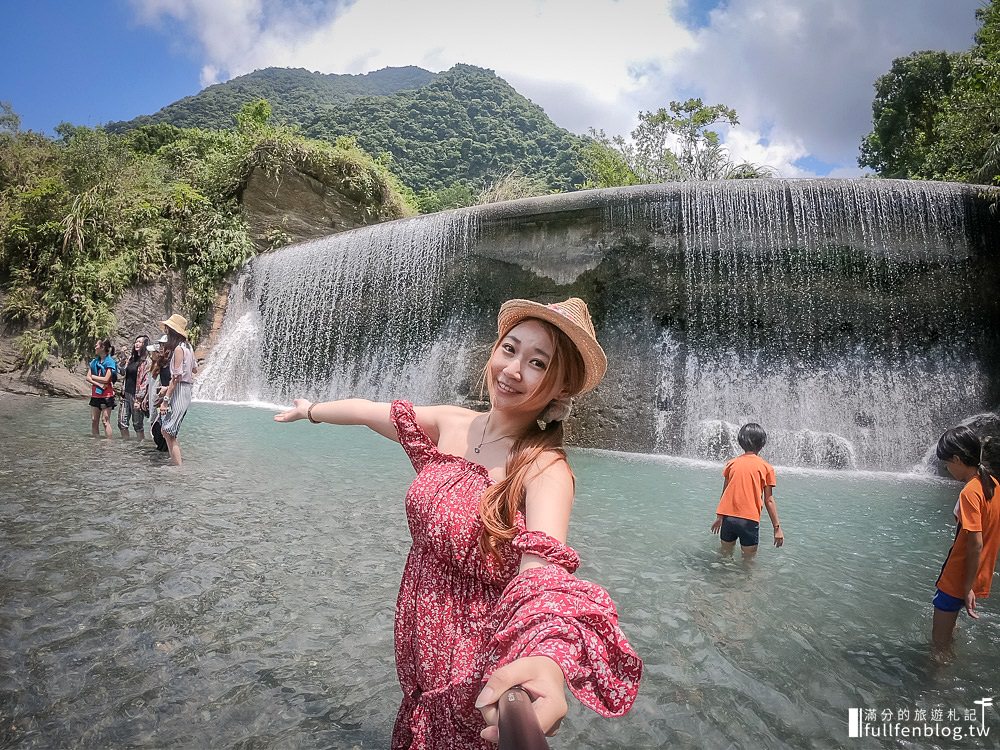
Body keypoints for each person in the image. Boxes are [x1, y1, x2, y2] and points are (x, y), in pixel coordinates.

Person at [274, 297, 642, 749]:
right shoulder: (453, 423)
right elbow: (369, 412)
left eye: (537, 363)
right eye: (509, 349)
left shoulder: (544, 470)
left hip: (471, 673)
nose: (512, 369)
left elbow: (542, 579)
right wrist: (311, 410)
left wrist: (546, 660)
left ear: (560, 389)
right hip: (419, 664)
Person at [932, 426, 1000, 657]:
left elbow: (975, 543)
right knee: (951, 632)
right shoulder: (993, 485)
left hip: (958, 579)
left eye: (947, 463)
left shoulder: (969, 492)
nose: (947, 469)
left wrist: (966, 587)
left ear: (957, 459)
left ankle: (937, 689)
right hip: (978, 575)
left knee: (939, 646)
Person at [710, 422, 784, 558]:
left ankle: (721, 579)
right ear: (762, 443)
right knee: (748, 563)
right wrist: (777, 529)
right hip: (749, 521)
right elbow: (769, 500)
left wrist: (719, 517)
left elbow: (725, 492)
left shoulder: (731, 464)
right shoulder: (766, 468)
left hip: (728, 518)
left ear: (740, 441)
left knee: (724, 556)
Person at [158, 315, 197, 466]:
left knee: (168, 431)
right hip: (185, 390)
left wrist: (165, 401)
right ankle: (175, 463)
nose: (166, 333)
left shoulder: (179, 349)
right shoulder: (188, 347)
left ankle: (178, 468)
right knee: (166, 430)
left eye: (167, 330)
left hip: (179, 391)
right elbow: (194, 369)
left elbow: (175, 378)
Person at [117, 334, 150, 440]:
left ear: (145, 344)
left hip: (137, 396)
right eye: (136, 341)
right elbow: (122, 372)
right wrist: (122, 357)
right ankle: (126, 444)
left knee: (138, 425)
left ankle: (140, 447)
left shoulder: (146, 362)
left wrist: (139, 399)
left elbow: (145, 381)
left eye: (140, 342)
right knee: (122, 422)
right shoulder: (131, 359)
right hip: (125, 394)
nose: (137, 343)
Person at [86, 339, 118, 438]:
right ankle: (96, 442)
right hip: (96, 394)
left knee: (105, 420)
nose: (95, 347)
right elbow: (88, 377)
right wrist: (98, 384)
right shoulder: (94, 362)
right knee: (94, 420)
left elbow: (106, 379)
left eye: (97, 345)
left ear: (102, 347)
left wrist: (94, 377)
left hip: (106, 395)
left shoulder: (110, 362)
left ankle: (108, 443)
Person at [148, 335, 172, 453]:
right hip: (163, 398)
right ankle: (163, 453)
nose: (161, 347)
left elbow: (176, 381)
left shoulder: (172, 360)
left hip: (170, 399)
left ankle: (168, 455)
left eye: (163, 344)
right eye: (160, 344)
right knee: (157, 429)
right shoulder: (163, 361)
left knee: (161, 429)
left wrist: (165, 396)